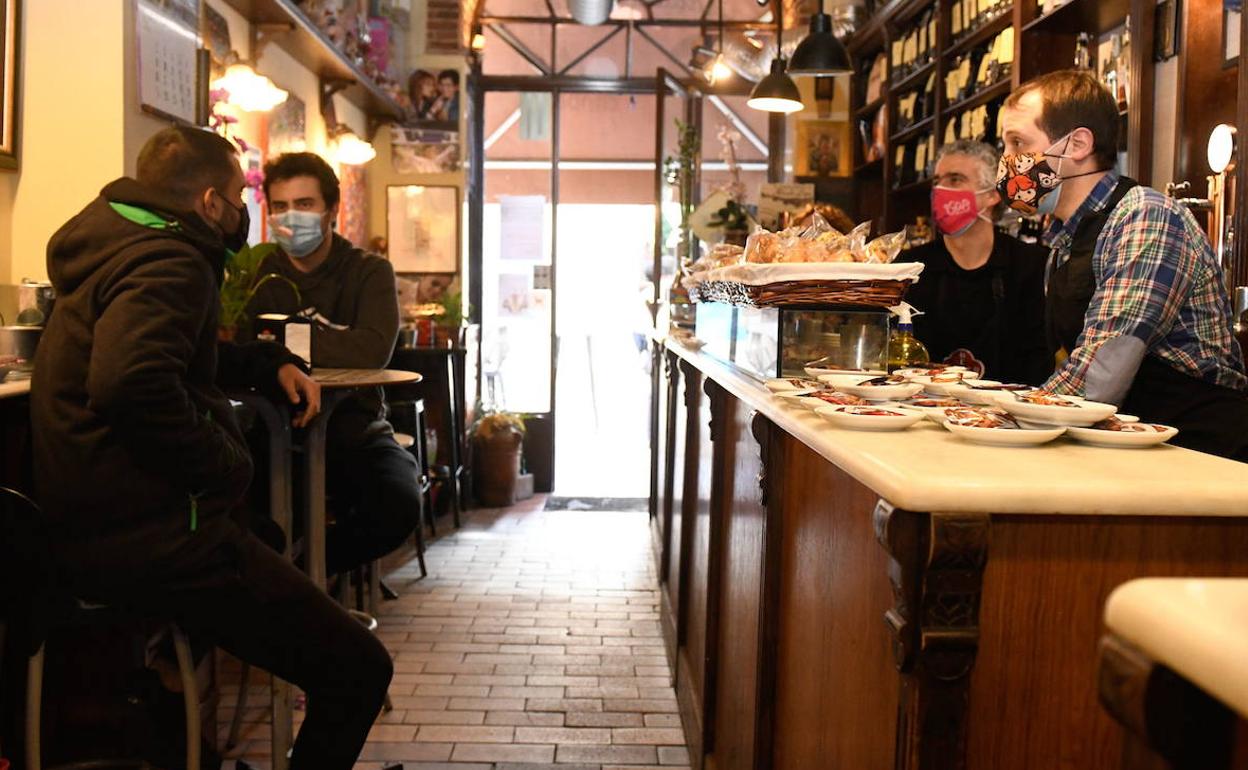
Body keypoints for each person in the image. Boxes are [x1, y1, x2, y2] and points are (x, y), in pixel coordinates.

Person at [30, 126, 392, 767]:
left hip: (89, 525)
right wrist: (226, 467)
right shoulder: (172, 261)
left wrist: (261, 361)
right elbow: (131, 381)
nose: (250, 212)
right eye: (240, 195)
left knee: (271, 540)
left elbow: (171, 356)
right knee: (358, 668)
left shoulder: (115, 245)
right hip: (156, 537)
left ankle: (177, 695)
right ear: (208, 203)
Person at [998, 69, 1248, 459]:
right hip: (1131, 445)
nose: (1008, 162)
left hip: (1201, 454)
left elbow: (1103, 369)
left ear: (1077, 144)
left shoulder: (1144, 216)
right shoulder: (1062, 242)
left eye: (1018, 143)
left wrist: (1009, 423)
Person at [242, 151, 419, 576]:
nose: (291, 217)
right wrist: (328, 343)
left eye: (304, 205)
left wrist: (282, 344)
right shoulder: (257, 274)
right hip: (271, 430)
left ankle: (306, 578)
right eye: (281, 206)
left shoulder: (368, 272)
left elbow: (372, 351)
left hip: (353, 428)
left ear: (331, 210)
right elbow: (243, 346)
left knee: (398, 505)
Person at [904, 139, 1052, 384]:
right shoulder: (911, 269)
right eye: (937, 182)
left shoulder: (1032, 266)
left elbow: (1038, 363)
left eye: (955, 180)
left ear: (993, 194)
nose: (940, 191)